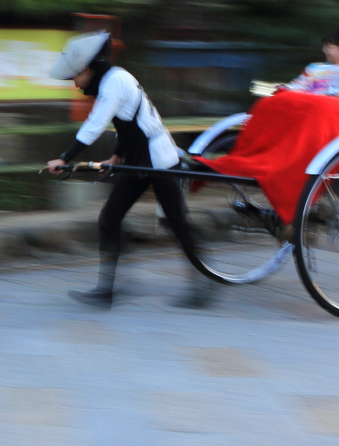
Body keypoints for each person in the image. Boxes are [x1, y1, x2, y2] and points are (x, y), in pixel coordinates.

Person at [194, 4, 339, 227]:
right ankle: (250, 162)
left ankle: (289, 181)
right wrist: (332, 96)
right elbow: (333, 89)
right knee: (274, 103)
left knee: (319, 109)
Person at [45, 32, 214, 309]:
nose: (75, 85)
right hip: (137, 161)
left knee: (177, 222)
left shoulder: (114, 82)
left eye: (74, 78)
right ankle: (107, 290)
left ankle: (203, 283)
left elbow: (95, 124)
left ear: (86, 69)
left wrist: (65, 157)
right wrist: (115, 156)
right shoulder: (114, 79)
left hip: (158, 160)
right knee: (110, 217)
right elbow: (127, 123)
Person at [281, 24, 339, 95]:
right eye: (325, 46)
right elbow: (298, 85)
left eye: (329, 47)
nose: (325, 50)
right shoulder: (315, 68)